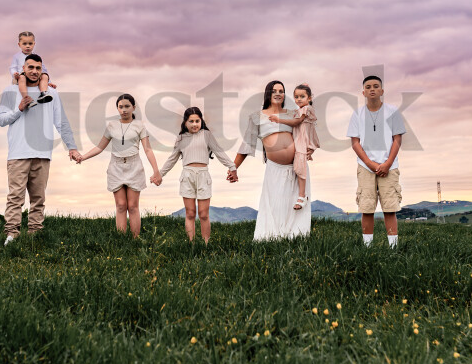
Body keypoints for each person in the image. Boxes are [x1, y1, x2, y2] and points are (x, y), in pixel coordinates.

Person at [0, 53, 81, 245]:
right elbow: (1, 120)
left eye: (38, 68)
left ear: (42, 71)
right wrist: (19, 108)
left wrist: (72, 147)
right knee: (15, 197)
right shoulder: (11, 91)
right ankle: (12, 234)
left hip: (43, 153)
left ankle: (35, 234)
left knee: (38, 198)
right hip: (18, 153)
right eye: (31, 67)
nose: (34, 71)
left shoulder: (51, 93)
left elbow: (62, 122)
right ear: (23, 70)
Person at [232, 80, 310, 240]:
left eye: (281, 91)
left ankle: (296, 239)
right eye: (274, 90)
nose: (278, 93)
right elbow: (247, 145)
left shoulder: (292, 113)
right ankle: (271, 238)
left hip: (297, 166)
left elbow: (307, 121)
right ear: (268, 94)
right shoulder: (257, 117)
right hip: (275, 168)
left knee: (295, 204)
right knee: (275, 205)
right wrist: (234, 167)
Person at [76, 94, 162, 238]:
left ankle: (135, 240)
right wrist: (83, 157)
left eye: (127, 106)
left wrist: (156, 171)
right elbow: (99, 147)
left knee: (133, 207)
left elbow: (147, 149)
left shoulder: (139, 126)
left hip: (134, 166)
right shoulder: (111, 126)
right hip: (116, 167)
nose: (124, 110)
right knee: (121, 205)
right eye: (120, 107)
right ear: (117, 108)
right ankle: (121, 241)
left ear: (133, 107)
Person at [159, 107, 237, 244]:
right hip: (187, 176)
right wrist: (160, 174)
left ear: (201, 121)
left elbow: (219, 152)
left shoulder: (206, 135)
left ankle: (206, 244)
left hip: (203, 176)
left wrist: (232, 167)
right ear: (185, 122)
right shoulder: (181, 138)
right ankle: (192, 244)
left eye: (197, 121)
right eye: (191, 121)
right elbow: (172, 159)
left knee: (203, 214)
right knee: (190, 213)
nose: (194, 124)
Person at [346, 75, 406, 248]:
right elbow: (355, 143)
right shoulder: (357, 114)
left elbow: (397, 140)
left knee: (390, 208)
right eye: (368, 87)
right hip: (365, 167)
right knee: (366, 208)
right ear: (363, 92)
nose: (372, 89)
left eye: (376, 86)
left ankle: (393, 248)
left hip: (390, 166)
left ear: (382, 90)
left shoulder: (392, 112)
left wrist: (387, 163)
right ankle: (368, 248)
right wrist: (370, 164)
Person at [267, 83, 320, 210]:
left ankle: (302, 196)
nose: (299, 99)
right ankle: (300, 194)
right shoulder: (299, 110)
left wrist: (278, 120)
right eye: (296, 97)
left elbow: (296, 122)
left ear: (309, 98)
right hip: (300, 140)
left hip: (303, 140)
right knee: (298, 167)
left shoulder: (306, 109)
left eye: (302, 96)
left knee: (300, 167)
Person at [10, 31, 55, 107]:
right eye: (24, 44)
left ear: (34, 44)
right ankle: (26, 98)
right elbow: (12, 68)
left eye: (30, 44)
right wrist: (14, 74)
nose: (28, 46)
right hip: (20, 76)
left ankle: (43, 93)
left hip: (34, 77)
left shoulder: (37, 57)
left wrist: (48, 82)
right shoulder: (17, 57)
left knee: (44, 75)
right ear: (19, 44)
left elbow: (43, 69)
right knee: (22, 77)